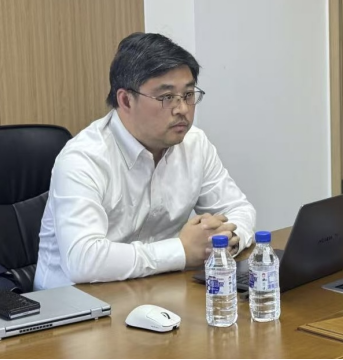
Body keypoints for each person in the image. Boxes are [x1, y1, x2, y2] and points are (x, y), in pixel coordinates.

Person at [34, 33, 256, 290]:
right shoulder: (83, 158)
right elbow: (83, 260)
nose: (182, 109)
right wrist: (181, 250)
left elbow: (240, 209)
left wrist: (225, 239)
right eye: (167, 97)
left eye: (188, 94)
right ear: (126, 100)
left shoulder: (195, 144)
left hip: (154, 291)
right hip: (76, 304)